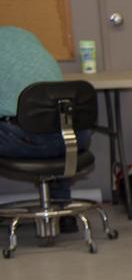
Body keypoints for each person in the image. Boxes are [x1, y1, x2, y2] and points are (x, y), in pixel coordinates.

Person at [0, 26, 93, 223]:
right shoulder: (28, 38)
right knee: (57, 124)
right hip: (75, 139)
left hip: (27, 142)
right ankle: (64, 215)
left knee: (33, 128)